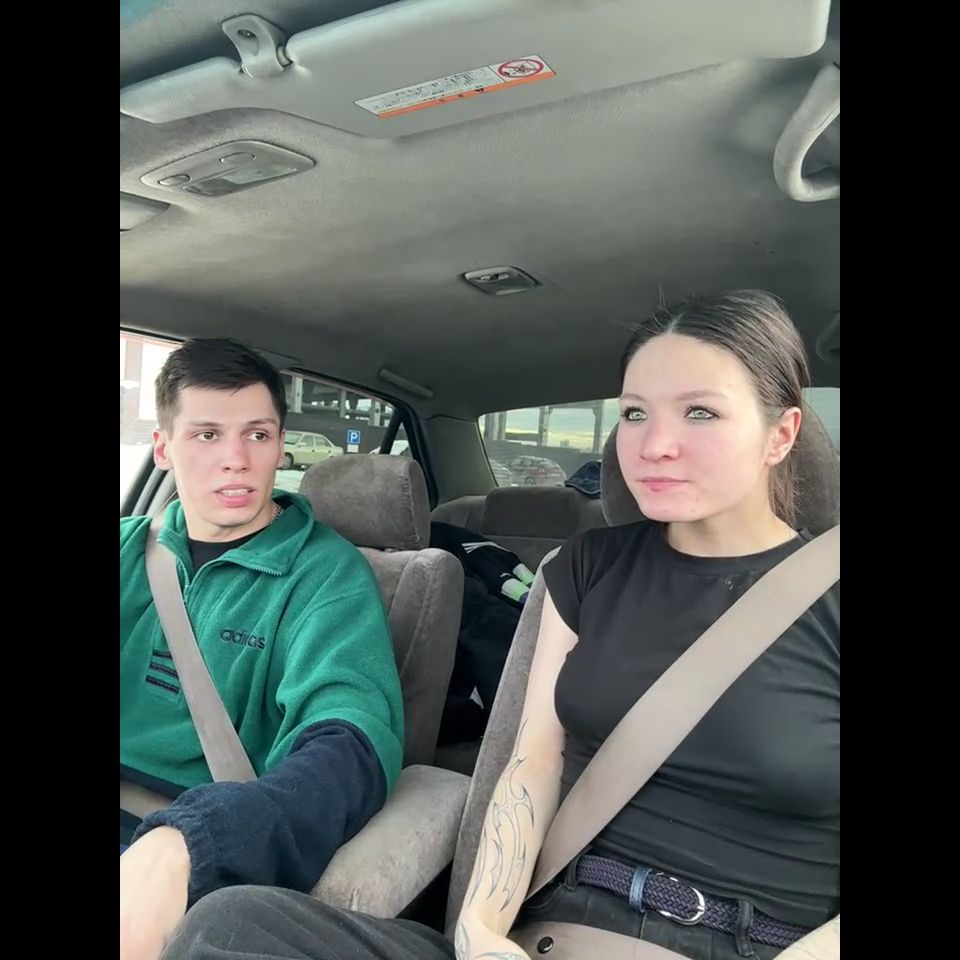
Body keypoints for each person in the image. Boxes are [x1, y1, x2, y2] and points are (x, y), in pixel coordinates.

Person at [159, 291, 839, 960]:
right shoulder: (585, 567)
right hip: (553, 930)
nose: (655, 444)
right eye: (635, 413)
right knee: (229, 925)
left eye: (700, 412)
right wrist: (481, 930)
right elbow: (532, 763)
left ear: (780, 434)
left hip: (756, 941)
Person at [120, 338, 405, 960]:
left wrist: (195, 841)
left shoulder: (326, 576)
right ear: (163, 448)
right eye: (206, 435)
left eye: (257, 434)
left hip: (200, 845)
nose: (236, 460)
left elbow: (350, 742)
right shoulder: (127, 549)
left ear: (280, 445)